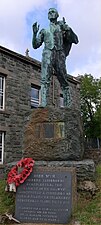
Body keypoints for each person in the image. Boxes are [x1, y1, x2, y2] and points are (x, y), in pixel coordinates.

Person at [32, 8, 79, 107]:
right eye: (49, 12)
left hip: (59, 55)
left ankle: (67, 104)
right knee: (45, 79)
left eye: (52, 12)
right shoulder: (44, 30)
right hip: (47, 54)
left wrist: (68, 29)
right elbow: (35, 45)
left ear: (57, 15)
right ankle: (43, 103)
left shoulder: (62, 28)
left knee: (63, 79)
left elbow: (75, 40)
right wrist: (35, 33)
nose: (50, 13)